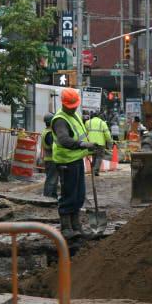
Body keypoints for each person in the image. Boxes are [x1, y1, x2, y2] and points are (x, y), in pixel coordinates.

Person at [52, 88, 99, 237]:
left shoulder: (75, 116)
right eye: (70, 107)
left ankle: (76, 225)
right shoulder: (60, 119)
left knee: (79, 195)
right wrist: (83, 145)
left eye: (75, 106)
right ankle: (66, 227)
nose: (73, 109)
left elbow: (81, 135)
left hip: (76, 160)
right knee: (69, 194)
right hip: (66, 162)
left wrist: (88, 149)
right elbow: (64, 139)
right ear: (63, 104)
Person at [85, 110, 112, 175]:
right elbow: (107, 134)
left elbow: (84, 133)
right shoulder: (102, 123)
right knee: (99, 157)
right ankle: (95, 171)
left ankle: (94, 170)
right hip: (100, 143)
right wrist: (109, 141)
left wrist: (84, 142)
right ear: (99, 116)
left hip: (90, 143)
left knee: (94, 156)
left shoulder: (88, 122)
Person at [40, 112, 59, 199]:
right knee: (51, 179)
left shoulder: (46, 131)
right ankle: (48, 197)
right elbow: (53, 147)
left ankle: (53, 196)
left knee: (52, 179)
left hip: (49, 159)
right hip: (52, 159)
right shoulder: (50, 134)